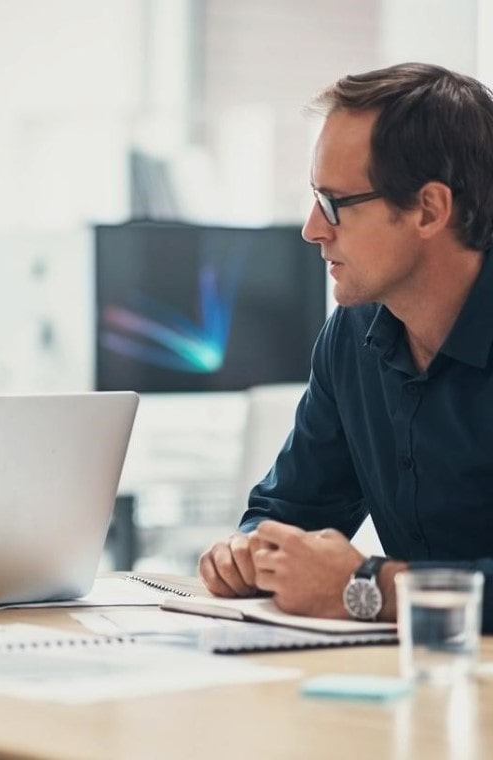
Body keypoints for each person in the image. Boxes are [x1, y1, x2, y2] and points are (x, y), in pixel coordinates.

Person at [199, 62, 493, 633]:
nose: (312, 228)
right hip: (425, 681)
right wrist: (250, 555)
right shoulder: (353, 334)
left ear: (429, 210)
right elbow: (288, 513)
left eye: (334, 203)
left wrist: (370, 587)